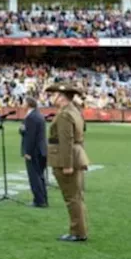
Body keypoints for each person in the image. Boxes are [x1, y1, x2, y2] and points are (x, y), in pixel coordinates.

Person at [45, 81, 90, 242]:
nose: (52, 97)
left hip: (66, 158)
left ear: (61, 97)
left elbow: (66, 140)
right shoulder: (74, 111)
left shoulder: (65, 114)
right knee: (76, 196)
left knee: (72, 198)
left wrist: (67, 164)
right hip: (75, 155)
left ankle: (77, 232)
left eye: (54, 94)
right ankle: (80, 230)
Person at [19, 95, 48, 209]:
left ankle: (39, 200)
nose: (22, 104)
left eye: (23, 102)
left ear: (28, 104)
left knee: (34, 176)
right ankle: (43, 198)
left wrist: (27, 152)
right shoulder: (38, 115)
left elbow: (31, 137)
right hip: (41, 150)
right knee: (40, 176)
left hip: (34, 151)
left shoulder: (31, 117)